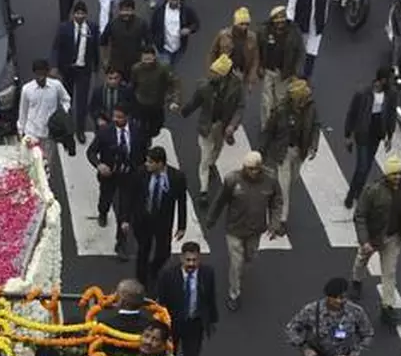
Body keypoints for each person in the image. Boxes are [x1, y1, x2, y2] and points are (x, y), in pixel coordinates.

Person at [205, 151, 283, 311]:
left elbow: (276, 202)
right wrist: (211, 219)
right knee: (236, 262)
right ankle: (234, 293)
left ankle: (239, 274)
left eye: (255, 169)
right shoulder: (232, 179)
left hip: (255, 229)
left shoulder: (271, 180)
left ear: (260, 167)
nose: (252, 172)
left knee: (250, 257)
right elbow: (220, 201)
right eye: (249, 169)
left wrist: (274, 224)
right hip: (234, 229)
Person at [284, 277, 373, 356]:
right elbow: (291, 329)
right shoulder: (312, 310)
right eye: (335, 298)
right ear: (328, 297)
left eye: (342, 297)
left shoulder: (355, 312)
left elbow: (368, 334)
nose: (339, 301)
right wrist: (304, 348)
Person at [350, 155, 401, 325]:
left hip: (394, 237)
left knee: (390, 272)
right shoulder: (373, 191)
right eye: (394, 174)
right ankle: (356, 280)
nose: (398, 177)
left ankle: (387, 307)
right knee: (361, 260)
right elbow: (360, 215)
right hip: (373, 237)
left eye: (400, 173)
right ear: (387, 175)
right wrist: (364, 241)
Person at [154, 242, 217, 356]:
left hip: (194, 325)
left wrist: (212, 319)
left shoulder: (207, 273)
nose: (191, 264)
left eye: (194, 260)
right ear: (181, 258)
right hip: (172, 325)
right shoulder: (168, 275)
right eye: (188, 259)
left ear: (199, 259)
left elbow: (210, 298)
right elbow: (161, 302)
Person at [180, 55, 245, 208]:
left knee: (217, 149)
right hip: (207, 125)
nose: (211, 74)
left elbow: (240, 107)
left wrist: (232, 125)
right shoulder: (204, 86)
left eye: (215, 72)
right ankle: (204, 191)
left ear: (224, 74)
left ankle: (211, 164)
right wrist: (182, 111)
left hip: (222, 125)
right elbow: (194, 102)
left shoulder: (236, 86)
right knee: (205, 155)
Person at [87, 104, 147, 260]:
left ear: (127, 117)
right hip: (109, 175)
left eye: (120, 117)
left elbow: (143, 151)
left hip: (129, 176)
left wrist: (141, 169)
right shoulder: (105, 132)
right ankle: (103, 212)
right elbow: (91, 152)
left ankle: (121, 243)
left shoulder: (137, 130)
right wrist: (99, 165)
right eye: (115, 116)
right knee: (106, 198)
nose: (116, 120)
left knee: (125, 209)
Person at [122, 146, 188, 286]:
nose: (147, 164)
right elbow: (130, 196)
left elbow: (182, 201)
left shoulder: (177, 177)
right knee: (143, 251)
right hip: (143, 220)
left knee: (164, 253)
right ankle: (141, 282)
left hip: (163, 222)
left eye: (150, 162)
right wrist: (126, 219)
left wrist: (182, 226)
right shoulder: (141, 173)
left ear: (160, 163)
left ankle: (153, 269)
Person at [259, 78, 319, 227]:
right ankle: (282, 218)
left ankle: (274, 194)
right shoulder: (281, 111)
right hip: (284, 151)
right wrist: (262, 151)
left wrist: (314, 145)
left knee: (293, 179)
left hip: (300, 151)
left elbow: (315, 126)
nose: (306, 99)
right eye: (303, 97)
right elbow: (268, 131)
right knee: (284, 186)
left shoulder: (311, 108)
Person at [342, 67, 396, 208]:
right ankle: (351, 195)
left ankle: (358, 194)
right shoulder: (363, 93)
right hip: (363, 132)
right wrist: (347, 135)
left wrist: (389, 136)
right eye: (388, 79)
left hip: (377, 133)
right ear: (382, 80)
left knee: (366, 168)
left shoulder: (391, 95)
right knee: (362, 167)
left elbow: (391, 115)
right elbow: (352, 114)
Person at [51, 3, 100, 142]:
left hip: (84, 69)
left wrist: (97, 65)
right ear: (73, 15)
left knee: (82, 101)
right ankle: (68, 128)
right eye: (77, 13)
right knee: (67, 100)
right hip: (67, 69)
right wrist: (54, 65)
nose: (79, 16)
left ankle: (80, 130)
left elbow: (95, 47)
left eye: (82, 13)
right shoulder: (64, 28)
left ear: (86, 14)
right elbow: (56, 47)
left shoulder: (92, 28)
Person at [256, 6, 303, 128]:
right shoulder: (264, 31)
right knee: (267, 101)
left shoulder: (294, 32)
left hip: (284, 73)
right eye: (277, 22)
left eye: (282, 21)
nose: (280, 24)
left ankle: (277, 125)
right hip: (269, 70)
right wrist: (259, 66)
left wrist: (295, 73)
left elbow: (300, 53)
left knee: (280, 101)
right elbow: (258, 49)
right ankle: (265, 126)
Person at [17, 59, 72, 161]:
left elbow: (66, 100)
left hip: (49, 134)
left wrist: (61, 114)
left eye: (43, 73)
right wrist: (21, 131)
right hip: (32, 132)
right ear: (34, 73)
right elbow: (23, 111)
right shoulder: (27, 89)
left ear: (47, 73)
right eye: (38, 74)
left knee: (47, 163)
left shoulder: (56, 86)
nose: (40, 77)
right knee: (33, 162)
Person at [285, 0, 330, 78]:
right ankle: (292, 75)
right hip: (301, 27)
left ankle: (306, 78)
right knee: (297, 53)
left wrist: (323, 22)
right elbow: (291, 7)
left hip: (316, 27)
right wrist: (291, 24)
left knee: (311, 54)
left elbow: (326, 6)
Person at [129, 47, 180, 139]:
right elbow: (133, 85)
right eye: (145, 59)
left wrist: (175, 100)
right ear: (141, 58)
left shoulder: (163, 68)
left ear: (154, 57)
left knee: (156, 128)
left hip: (157, 104)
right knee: (141, 129)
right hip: (141, 103)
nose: (147, 62)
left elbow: (173, 84)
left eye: (149, 59)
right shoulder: (136, 69)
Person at [207, 7, 259, 90]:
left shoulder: (252, 37)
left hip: (241, 73)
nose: (244, 27)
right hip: (223, 72)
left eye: (247, 24)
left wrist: (252, 77)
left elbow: (255, 58)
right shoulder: (223, 35)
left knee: (237, 98)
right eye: (241, 24)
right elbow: (213, 53)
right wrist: (211, 72)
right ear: (235, 23)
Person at [99, 0, 149, 83]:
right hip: (116, 65)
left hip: (136, 64)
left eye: (128, 10)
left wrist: (145, 60)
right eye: (123, 10)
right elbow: (103, 42)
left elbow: (149, 42)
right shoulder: (112, 24)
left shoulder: (141, 24)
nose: (125, 13)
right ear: (119, 11)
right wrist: (104, 60)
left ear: (133, 10)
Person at [149, 0, 199, 69]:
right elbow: (152, 27)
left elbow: (196, 23)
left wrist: (189, 29)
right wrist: (153, 43)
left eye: (178, 0)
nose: (176, 2)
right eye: (173, 0)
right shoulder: (159, 11)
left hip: (179, 48)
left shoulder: (185, 11)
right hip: (163, 47)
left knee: (172, 65)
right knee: (165, 68)